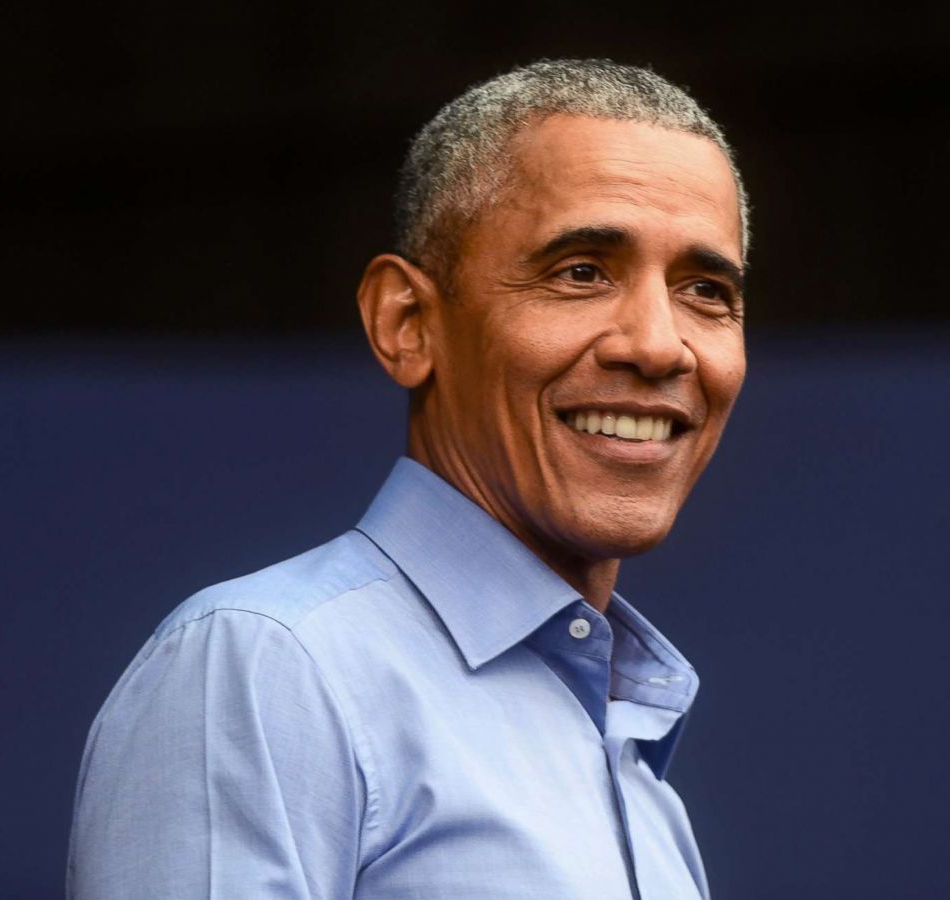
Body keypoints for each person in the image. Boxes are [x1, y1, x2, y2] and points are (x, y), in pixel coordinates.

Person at [68, 59, 749, 899]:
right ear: (407, 323)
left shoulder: (632, 770)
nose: (658, 344)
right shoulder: (269, 667)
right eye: (581, 272)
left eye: (706, 290)